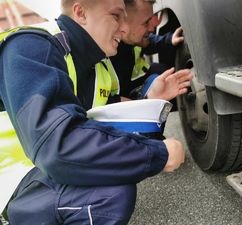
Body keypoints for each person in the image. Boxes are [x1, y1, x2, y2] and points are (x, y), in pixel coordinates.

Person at [0, 0, 192, 224]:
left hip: (43, 168)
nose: (124, 27)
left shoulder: (101, 66)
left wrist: (151, 99)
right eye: (116, 16)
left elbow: (110, 125)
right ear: (81, 13)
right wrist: (158, 155)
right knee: (107, 196)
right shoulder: (31, 47)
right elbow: (57, 147)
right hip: (12, 178)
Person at [110, 0, 184, 101]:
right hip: (114, 102)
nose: (152, 27)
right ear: (123, 23)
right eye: (146, 23)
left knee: (160, 71)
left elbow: (148, 41)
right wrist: (141, 103)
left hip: (128, 87)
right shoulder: (105, 51)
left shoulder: (130, 38)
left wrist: (168, 40)